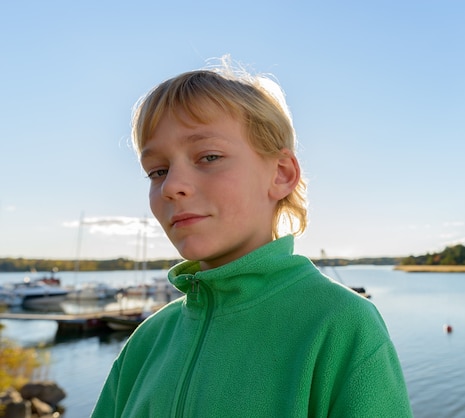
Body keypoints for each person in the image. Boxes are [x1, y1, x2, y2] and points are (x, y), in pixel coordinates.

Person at [91, 58, 412, 417]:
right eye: (157, 171)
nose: (172, 186)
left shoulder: (338, 325)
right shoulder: (146, 343)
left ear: (280, 174)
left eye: (208, 157)